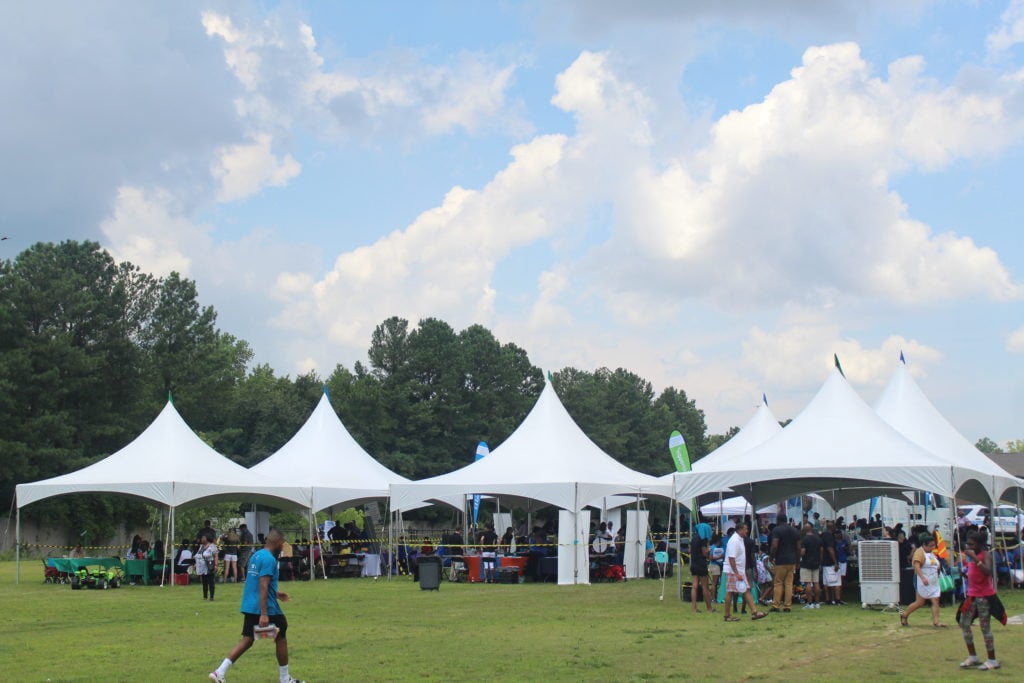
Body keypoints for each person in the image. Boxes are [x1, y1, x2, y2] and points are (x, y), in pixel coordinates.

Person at [208, 529, 304, 683]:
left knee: (249, 638)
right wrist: (264, 614)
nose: (283, 546)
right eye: (282, 543)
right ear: (278, 542)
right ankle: (285, 679)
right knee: (281, 633)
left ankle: (219, 672)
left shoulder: (256, 555)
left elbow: (257, 582)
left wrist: (276, 593)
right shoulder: (269, 559)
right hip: (265, 607)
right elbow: (263, 585)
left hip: (250, 605)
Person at [957, 531, 1005, 671]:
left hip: (984, 596)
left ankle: (992, 660)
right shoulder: (971, 557)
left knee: (985, 627)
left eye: (972, 544)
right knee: (964, 622)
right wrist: (965, 574)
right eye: (968, 544)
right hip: (972, 596)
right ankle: (973, 656)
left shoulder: (985, 555)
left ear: (979, 544)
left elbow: (988, 572)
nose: (969, 546)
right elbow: (975, 575)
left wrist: (975, 558)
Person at [722, 523, 767, 622]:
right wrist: (736, 573)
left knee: (745, 590)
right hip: (734, 570)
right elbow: (731, 558)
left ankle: (754, 612)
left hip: (739, 570)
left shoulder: (740, 539)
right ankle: (728, 615)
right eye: (745, 529)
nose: (747, 531)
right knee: (731, 591)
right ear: (740, 530)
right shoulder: (734, 541)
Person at [900, 533, 944, 627]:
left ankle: (936, 622)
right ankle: (904, 614)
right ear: (924, 545)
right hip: (921, 579)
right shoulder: (919, 552)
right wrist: (923, 577)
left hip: (933, 580)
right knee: (920, 602)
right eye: (930, 546)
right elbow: (917, 565)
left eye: (933, 545)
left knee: (935, 599)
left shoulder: (931, 553)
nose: (933, 547)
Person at [769, 514, 800, 613]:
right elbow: (798, 547)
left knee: (778, 583)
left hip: (781, 560)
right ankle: (787, 606)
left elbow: (774, 545)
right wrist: (797, 560)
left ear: (778, 520)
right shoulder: (795, 530)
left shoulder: (777, 530)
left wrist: (771, 557)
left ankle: (776, 605)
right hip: (792, 560)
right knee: (789, 583)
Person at [689, 523, 714, 613]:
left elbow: (689, 550)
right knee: (704, 586)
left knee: (694, 586)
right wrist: (708, 550)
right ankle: (709, 608)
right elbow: (704, 553)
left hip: (693, 564)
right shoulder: (703, 539)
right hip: (701, 564)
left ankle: (694, 608)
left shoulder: (694, 538)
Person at [799, 524, 822, 609]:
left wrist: (798, 554)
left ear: (805, 530)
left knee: (807, 583)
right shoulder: (818, 539)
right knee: (816, 583)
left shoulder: (804, 540)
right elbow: (821, 551)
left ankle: (810, 603)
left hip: (806, 563)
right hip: (816, 563)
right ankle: (817, 603)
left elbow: (802, 552)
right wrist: (819, 560)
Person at [821, 521, 843, 606]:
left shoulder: (823, 535)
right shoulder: (829, 536)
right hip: (830, 563)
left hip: (825, 562)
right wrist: (835, 562)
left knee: (826, 583)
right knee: (836, 582)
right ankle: (837, 599)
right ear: (832, 527)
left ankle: (828, 599)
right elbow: (830, 549)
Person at [196, 535, 219, 600]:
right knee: (204, 582)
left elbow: (216, 556)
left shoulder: (212, 546)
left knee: (211, 581)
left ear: (207, 539)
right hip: (202, 566)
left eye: (203, 538)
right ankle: (205, 596)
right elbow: (199, 555)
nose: (202, 539)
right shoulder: (201, 546)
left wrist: (216, 565)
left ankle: (211, 596)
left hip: (210, 565)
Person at [709, 532, 725, 598]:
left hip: (720, 565)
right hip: (714, 565)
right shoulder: (712, 547)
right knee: (714, 583)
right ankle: (713, 597)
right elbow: (711, 558)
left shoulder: (721, 547)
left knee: (720, 582)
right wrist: (720, 557)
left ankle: (717, 596)